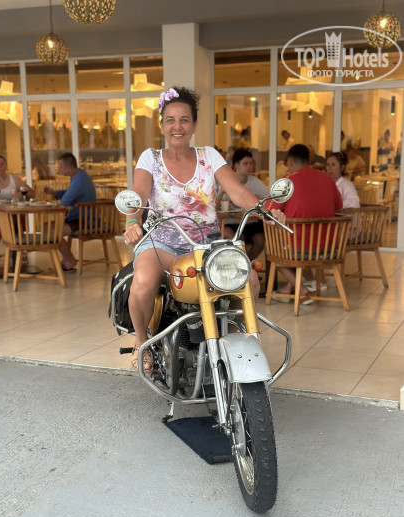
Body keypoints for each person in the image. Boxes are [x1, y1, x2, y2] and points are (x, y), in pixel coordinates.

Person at [123, 86, 285, 372]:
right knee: (143, 281)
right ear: (162, 126)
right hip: (162, 243)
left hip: (206, 246)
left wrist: (265, 209)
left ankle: (236, 340)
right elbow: (139, 193)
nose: (177, 126)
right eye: (170, 120)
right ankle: (140, 342)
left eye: (184, 120)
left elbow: (237, 192)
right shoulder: (151, 158)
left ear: (194, 125)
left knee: (250, 280)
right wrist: (132, 221)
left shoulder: (209, 156)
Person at [264, 144, 343, 301]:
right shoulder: (327, 179)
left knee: (271, 247)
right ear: (308, 160)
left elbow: (268, 211)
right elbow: (339, 207)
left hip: (297, 248)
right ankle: (290, 287)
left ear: (290, 162)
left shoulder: (286, 181)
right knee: (294, 241)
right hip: (328, 248)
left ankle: (301, 288)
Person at [43, 153, 96, 272]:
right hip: (77, 217)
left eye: (61, 167)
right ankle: (68, 259)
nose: (59, 170)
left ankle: (69, 260)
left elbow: (65, 201)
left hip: (85, 220)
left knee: (54, 234)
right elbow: (70, 193)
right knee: (46, 228)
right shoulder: (78, 176)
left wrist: (55, 201)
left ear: (70, 168)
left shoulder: (79, 179)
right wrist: (54, 193)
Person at [221, 148, 268, 261]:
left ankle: (246, 263)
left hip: (251, 223)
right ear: (236, 165)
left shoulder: (256, 183)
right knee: (239, 238)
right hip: (232, 223)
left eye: (251, 163)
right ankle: (243, 264)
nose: (249, 166)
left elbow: (268, 200)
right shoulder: (228, 182)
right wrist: (224, 196)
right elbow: (217, 205)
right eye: (245, 163)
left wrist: (259, 200)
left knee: (261, 240)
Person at [0, 154, 35, 268]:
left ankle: (20, 252)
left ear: (6, 166)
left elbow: (32, 193)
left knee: (16, 220)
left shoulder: (13, 179)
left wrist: (21, 194)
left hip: (12, 211)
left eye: (2, 164)